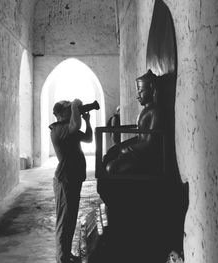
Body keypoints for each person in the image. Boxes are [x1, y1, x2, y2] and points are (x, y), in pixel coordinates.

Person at [49, 99, 92, 263]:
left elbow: (88, 138)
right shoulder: (59, 129)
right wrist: (75, 104)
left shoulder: (69, 128)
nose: (70, 112)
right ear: (59, 115)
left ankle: (66, 254)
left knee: (71, 219)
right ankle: (61, 259)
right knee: (64, 221)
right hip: (65, 180)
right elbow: (75, 126)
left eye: (70, 109)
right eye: (67, 110)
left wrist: (87, 121)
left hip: (73, 178)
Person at [102, 69, 163, 175]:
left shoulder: (156, 112)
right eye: (138, 92)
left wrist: (126, 150)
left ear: (152, 90)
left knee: (111, 167)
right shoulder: (146, 111)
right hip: (139, 151)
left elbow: (151, 142)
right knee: (109, 155)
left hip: (147, 156)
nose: (138, 96)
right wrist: (119, 147)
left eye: (141, 91)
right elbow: (140, 137)